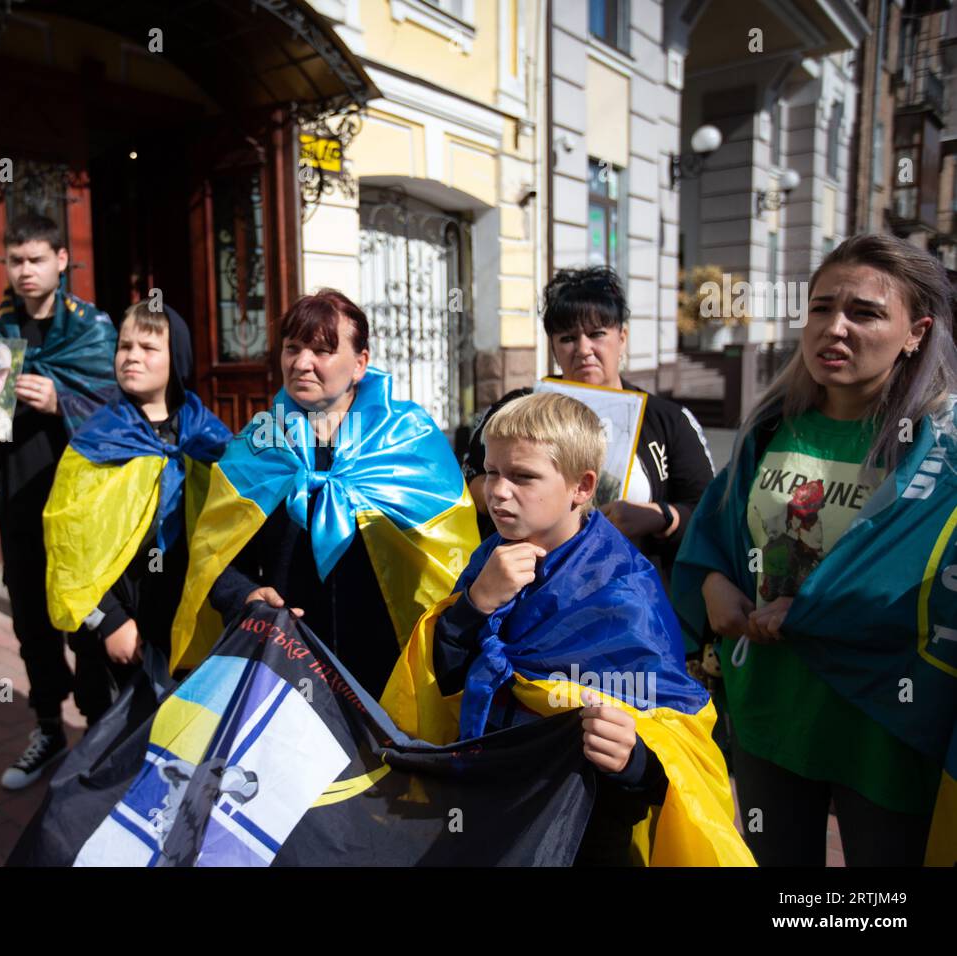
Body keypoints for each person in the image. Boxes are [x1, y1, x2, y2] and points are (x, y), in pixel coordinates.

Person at [672, 233, 957, 866]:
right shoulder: (771, 427)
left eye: (865, 312)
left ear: (917, 331)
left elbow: (932, 587)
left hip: (885, 725)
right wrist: (714, 581)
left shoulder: (942, 451)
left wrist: (821, 612)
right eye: (822, 308)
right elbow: (715, 534)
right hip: (770, 714)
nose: (835, 328)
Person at [383, 391, 751, 866]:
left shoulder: (624, 590)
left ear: (581, 487)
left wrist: (632, 758)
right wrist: (474, 606)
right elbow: (445, 678)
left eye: (523, 476)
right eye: (492, 471)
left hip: (583, 828)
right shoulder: (489, 558)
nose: (497, 491)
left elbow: (675, 748)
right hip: (491, 805)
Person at [170, 289, 479, 699]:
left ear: (360, 364)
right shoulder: (258, 444)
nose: (301, 363)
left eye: (322, 350)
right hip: (285, 662)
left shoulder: (409, 440)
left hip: (390, 665)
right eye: (292, 348)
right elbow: (217, 553)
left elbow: (452, 556)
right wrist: (245, 596)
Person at [0, 213, 118, 790]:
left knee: (87, 619)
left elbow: (122, 404)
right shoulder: (0, 335)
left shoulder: (92, 329)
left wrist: (62, 399)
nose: (24, 271)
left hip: (78, 505)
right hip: (21, 499)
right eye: (15, 260)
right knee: (31, 619)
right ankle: (48, 726)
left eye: (36, 259)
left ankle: (98, 728)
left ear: (62, 261)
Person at [462, 267, 714, 583]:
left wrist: (660, 517)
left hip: (627, 592)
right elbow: (469, 484)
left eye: (596, 334)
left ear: (622, 337)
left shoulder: (667, 420)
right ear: (552, 346)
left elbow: (709, 512)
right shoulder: (515, 408)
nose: (583, 350)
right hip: (528, 592)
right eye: (567, 338)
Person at [42, 301, 230, 724]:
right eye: (125, 345)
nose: (132, 356)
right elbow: (68, 545)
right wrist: (106, 619)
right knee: (113, 735)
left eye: (148, 347)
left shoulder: (207, 436)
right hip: (118, 623)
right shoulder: (97, 438)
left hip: (182, 616)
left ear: (175, 358)